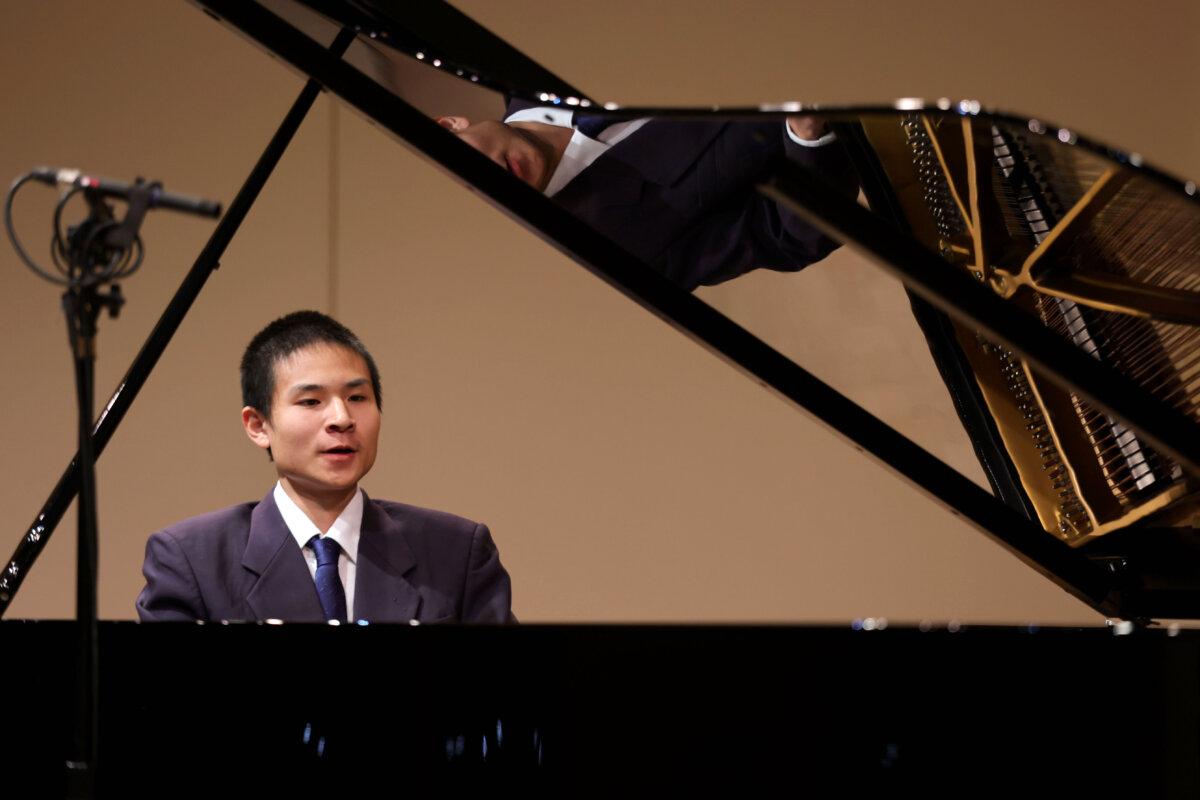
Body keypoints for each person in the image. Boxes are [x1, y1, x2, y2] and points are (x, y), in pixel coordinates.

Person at [136, 310, 514, 623]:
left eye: (357, 397)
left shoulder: (456, 552)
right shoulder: (191, 560)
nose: (342, 418)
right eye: (311, 401)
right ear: (258, 425)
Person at [436, 102, 859, 290]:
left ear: (449, 126)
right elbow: (791, 237)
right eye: (482, 200)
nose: (497, 184)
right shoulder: (625, 247)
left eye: (469, 171)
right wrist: (805, 134)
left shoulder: (533, 48)